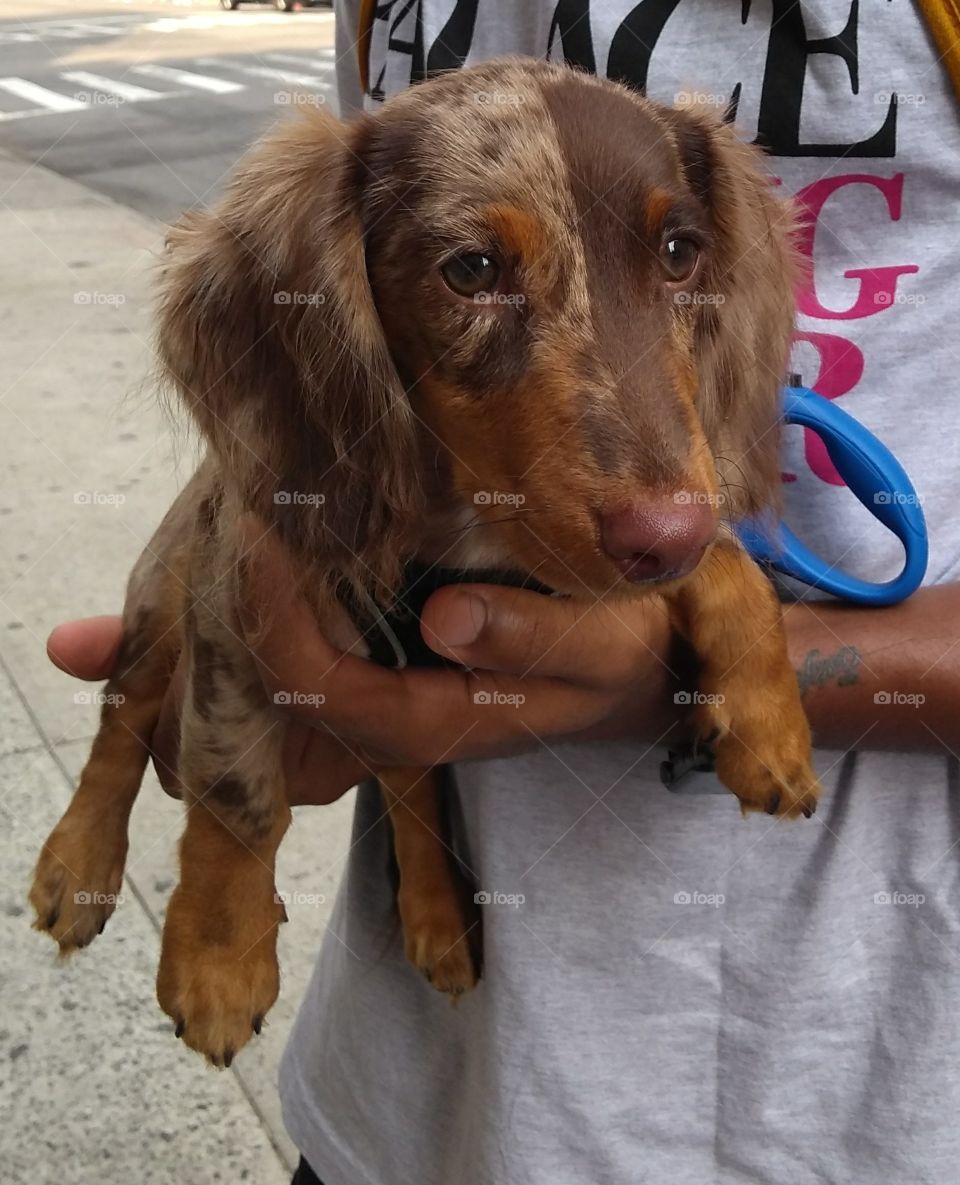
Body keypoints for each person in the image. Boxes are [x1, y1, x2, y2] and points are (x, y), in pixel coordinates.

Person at [49, 2, 960, 1182]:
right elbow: (329, 423)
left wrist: (728, 667)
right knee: (169, 630)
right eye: (477, 269)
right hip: (431, 1090)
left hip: (876, 1069)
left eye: (680, 254)